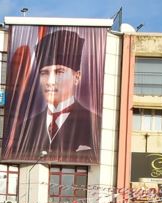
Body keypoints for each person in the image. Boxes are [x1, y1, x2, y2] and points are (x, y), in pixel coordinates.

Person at [12, 30, 100, 162]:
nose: (50, 81)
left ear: (77, 77)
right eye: (44, 73)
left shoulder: (95, 124)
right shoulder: (24, 127)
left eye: (59, 72)